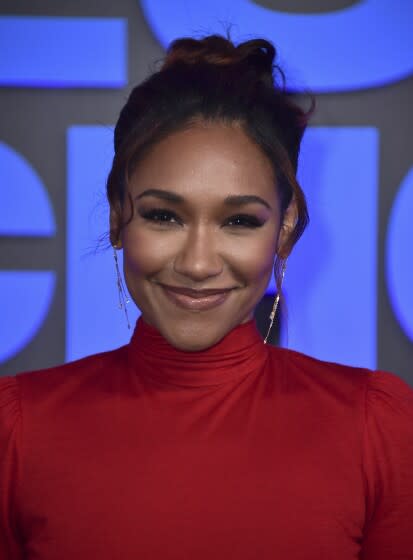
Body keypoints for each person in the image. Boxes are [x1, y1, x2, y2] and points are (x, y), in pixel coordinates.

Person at [1, 34, 413, 560]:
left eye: (239, 220)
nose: (197, 264)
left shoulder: (375, 428)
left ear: (284, 229)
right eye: (163, 215)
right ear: (116, 215)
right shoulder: (17, 430)